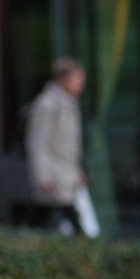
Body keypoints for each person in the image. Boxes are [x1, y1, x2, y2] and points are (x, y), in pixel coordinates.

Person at [24, 57, 96, 234]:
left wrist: (77, 172)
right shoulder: (48, 104)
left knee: (43, 216)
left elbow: (70, 146)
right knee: (69, 216)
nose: (80, 84)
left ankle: (23, 243)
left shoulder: (69, 103)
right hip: (54, 174)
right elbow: (38, 142)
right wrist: (42, 175)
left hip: (66, 174)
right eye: (76, 79)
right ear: (62, 79)